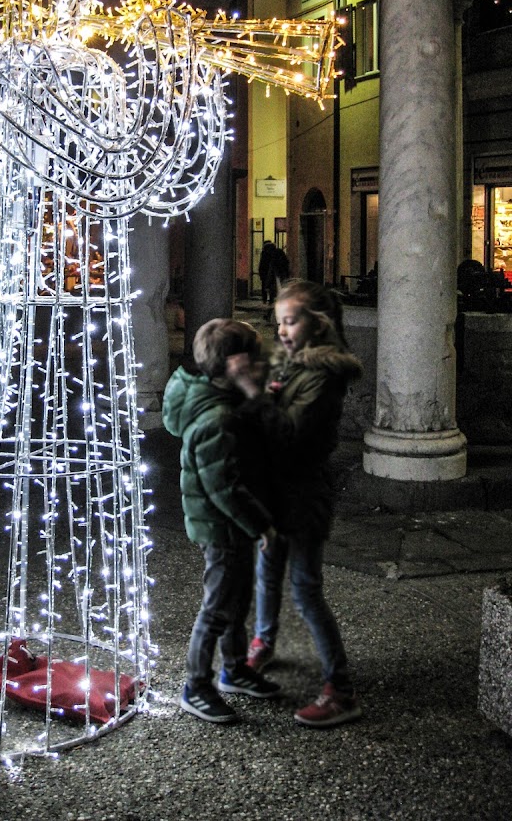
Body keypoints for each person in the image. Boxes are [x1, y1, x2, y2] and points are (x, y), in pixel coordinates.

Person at [226, 279, 364, 728]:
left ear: (317, 324)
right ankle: (263, 644)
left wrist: (255, 396)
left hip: (304, 493)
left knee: (305, 589)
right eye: (278, 321)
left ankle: (340, 689)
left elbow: (291, 435)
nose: (281, 330)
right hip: (274, 490)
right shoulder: (290, 363)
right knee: (268, 569)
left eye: (291, 320)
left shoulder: (324, 375)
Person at [162, 318, 281, 724]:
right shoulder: (216, 419)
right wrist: (260, 525)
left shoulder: (217, 399)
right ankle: (195, 686)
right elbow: (224, 487)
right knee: (216, 607)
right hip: (222, 525)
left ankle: (233, 669)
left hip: (230, 524)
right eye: (252, 358)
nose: (260, 364)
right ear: (233, 362)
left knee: (235, 599)